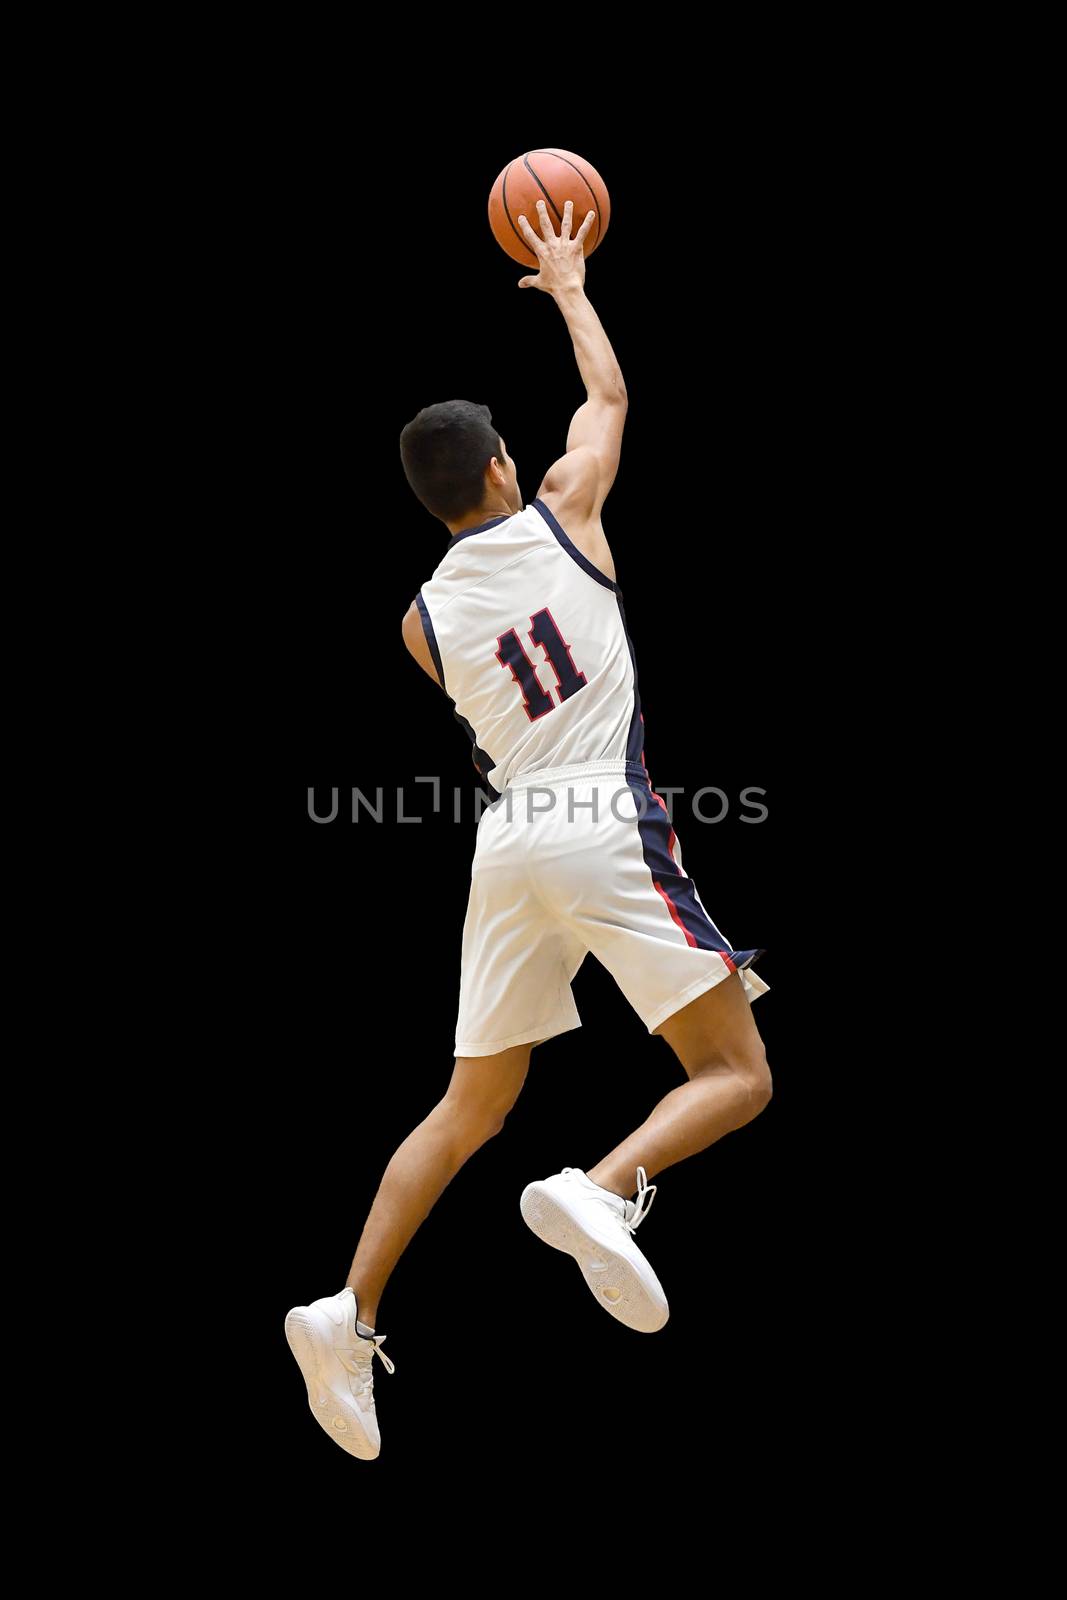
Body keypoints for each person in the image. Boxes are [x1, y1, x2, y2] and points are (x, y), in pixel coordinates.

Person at [284, 197, 772, 1462]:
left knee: (469, 1101)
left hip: (503, 845)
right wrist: (564, 283)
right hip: (599, 815)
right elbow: (606, 398)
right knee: (736, 1075)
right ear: (502, 465)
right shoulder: (567, 507)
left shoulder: (415, 623)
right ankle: (599, 1187)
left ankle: (344, 1310)